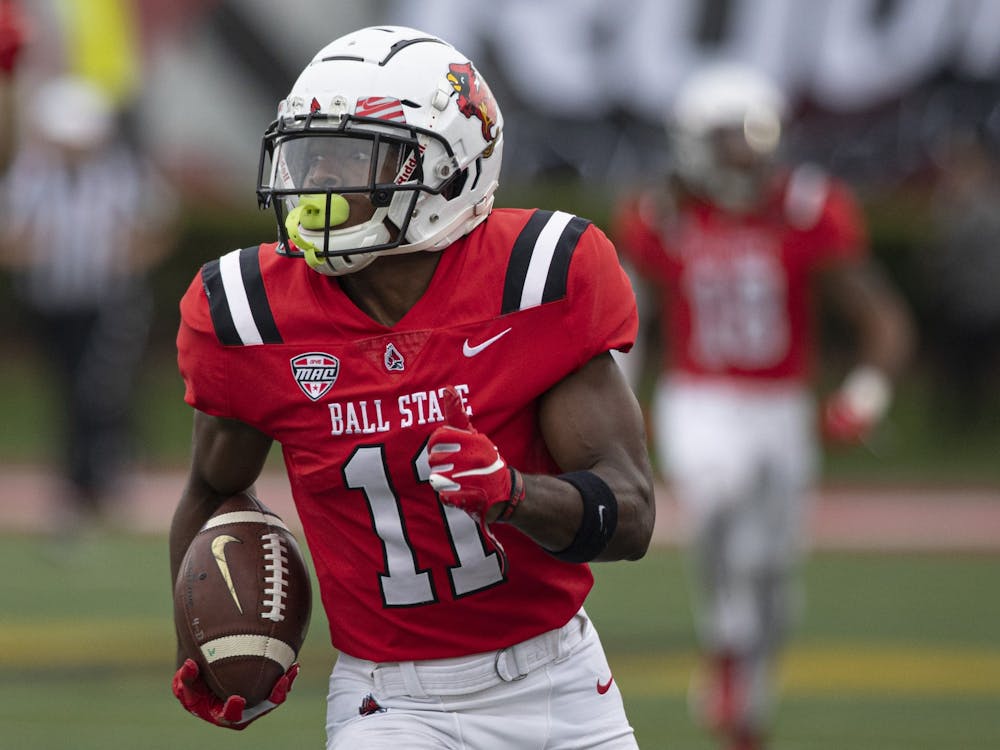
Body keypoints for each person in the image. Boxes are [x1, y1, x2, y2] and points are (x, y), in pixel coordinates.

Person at [169, 25, 656, 749]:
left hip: (556, 682)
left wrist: (515, 494)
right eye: (313, 155)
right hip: (389, 703)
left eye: (354, 159)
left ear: (452, 169)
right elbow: (212, 490)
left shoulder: (537, 278)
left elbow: (633, 516)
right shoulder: (251, 313)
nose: (319, 186)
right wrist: (206, 650)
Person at [611, 62, 914, 750]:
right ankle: (725, 645)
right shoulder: (659, 213)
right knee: (716, 502)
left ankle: (750, 692)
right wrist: (621, 405)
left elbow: (882, 318)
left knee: (773, 569)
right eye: (731, 139)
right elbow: (631, 323)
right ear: (694, 142)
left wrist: (866, 393)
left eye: (756, 136)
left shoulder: (806, 206)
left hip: (780, 405)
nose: (747, 153)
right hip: (703, 395)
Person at [0, 72, 177, 534]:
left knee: (94, 388)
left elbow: (159, 224)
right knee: (69, 390)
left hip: (108, 303)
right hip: (51, 304)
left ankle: (88, 484)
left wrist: (131, 257)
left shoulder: (124, 171)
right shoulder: (31, 174)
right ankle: (92, 475)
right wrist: (28, 250)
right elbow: (11, 237)